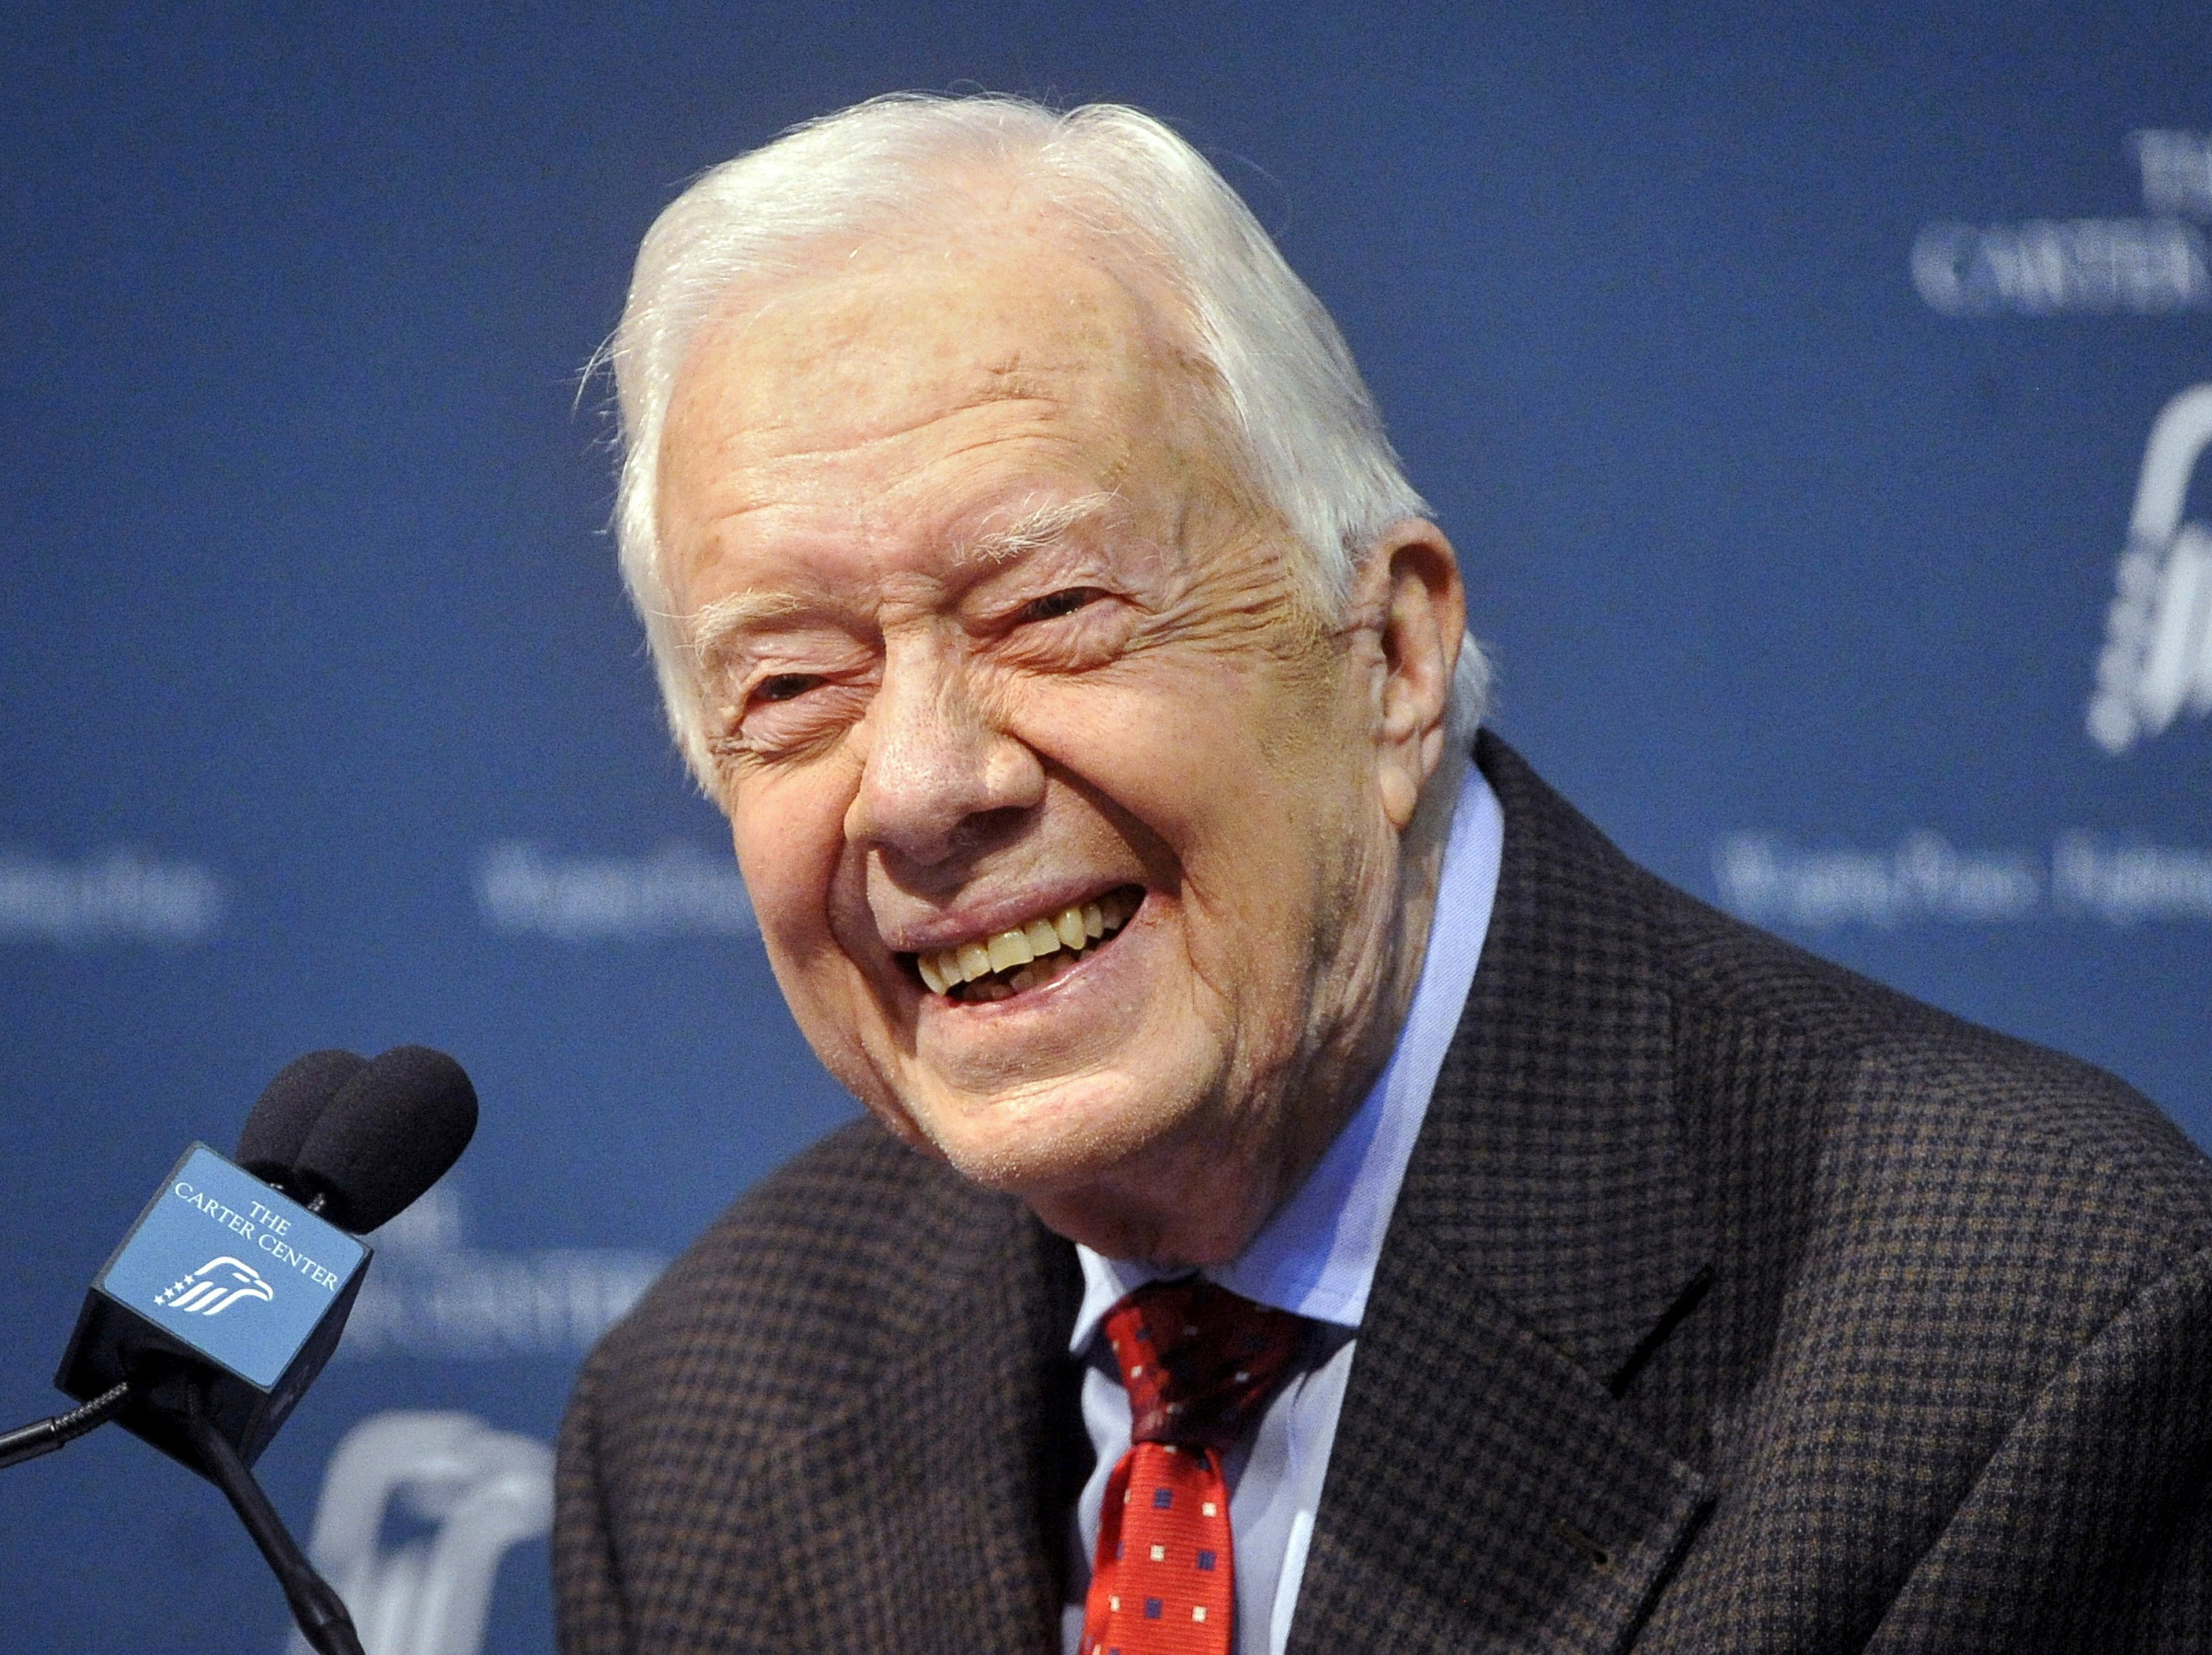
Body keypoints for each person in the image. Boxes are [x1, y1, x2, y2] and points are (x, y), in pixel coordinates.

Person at [553, 95, 2212, 1653]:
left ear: (1392, 652)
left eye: (1049, 610)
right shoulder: (696, 1421)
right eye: (788, 686)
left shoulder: (2020, 1333)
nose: (921, 788)